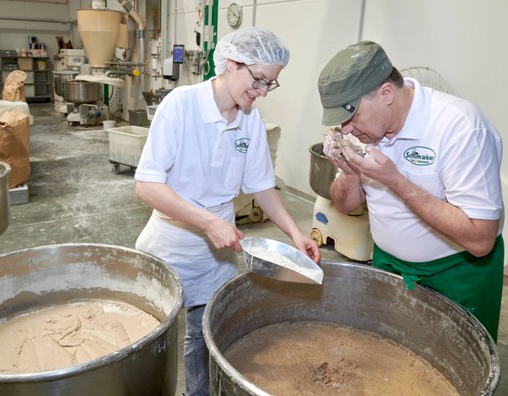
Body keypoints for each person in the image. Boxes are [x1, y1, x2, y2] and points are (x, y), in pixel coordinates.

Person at [134, 27, 321, 395]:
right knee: (153, 338)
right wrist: (206, 222)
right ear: (232, 64)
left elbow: (261, 187)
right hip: (171, 242)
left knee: (205, 333)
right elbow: (147, 186)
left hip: (218, 251)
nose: (263, 91)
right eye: (259, 80)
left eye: (271, 84)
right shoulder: (181, 106)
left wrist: (294, 232)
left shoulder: (249, 119)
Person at [318, 40, 504, 342]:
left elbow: (481, 239)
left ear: (386, 94)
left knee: (455, 372)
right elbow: (346, 204)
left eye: (352, 116)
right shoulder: (366, 130)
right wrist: (350, 173)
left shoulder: (460, 127)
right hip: (388, 265)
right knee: (390, 356)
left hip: (457, 274)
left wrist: (395, 181)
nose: (347, 129)